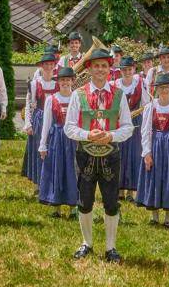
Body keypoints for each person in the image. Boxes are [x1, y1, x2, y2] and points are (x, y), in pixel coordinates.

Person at [62, 43, 134, 262]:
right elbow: (69, 127)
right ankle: (87, 243)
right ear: (90, 69)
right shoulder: (78, 94)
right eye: (96, 66)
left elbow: (128, 127)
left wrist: (111, 136)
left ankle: (111, 247)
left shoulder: (119, 95)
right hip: (85, 155)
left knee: (112, 201)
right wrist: (88, 135)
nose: (100, 70)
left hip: (111, 156)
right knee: (84, 201)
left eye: (104, 66)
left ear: (109, 69)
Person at [135, 71, 169, 228]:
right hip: (156, 145)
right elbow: (145, 131)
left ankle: (168, 218)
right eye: (161, 88)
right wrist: (147, 152)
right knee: (154, 177)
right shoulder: (151, 107)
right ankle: (154, 216)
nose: (164, 91)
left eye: (167, 87)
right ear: (156, 90)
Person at [37, 65, 80, 219]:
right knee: (56, 168)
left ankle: (73, 206)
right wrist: (43, 144)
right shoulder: (51, 99)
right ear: (58, 82)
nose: (65, 83)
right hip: (56, 138)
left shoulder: (78, 97)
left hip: (73, 138)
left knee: (73, 170)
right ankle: (56, 205)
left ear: (72, 81)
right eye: (62, 80)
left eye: (68, 80)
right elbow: (46, 123)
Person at [21, 47, 59, 188]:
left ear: (54, 66)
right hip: (39, 118)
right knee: (39, 148)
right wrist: (28, 124)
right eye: (46, 64)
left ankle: (51, 179)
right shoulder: (34, 84)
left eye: (51, 64)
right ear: (41, 66)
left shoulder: (58, 84)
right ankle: (39, 183)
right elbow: (29, 103)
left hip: (54, 119)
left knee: (52, 148)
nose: (49, 67)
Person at [114, 55, 148, 200]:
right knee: (120, 154)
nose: (127, 72)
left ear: (134, 69)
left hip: (136, 121)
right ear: (120, 71)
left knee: (134, 154)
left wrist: (139, 114)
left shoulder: (141, 82)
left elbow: (146, 104)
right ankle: (120, 189)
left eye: (130, 69)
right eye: (124, 70)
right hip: (120, 122)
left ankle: (131, 191)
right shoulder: (115, 84)